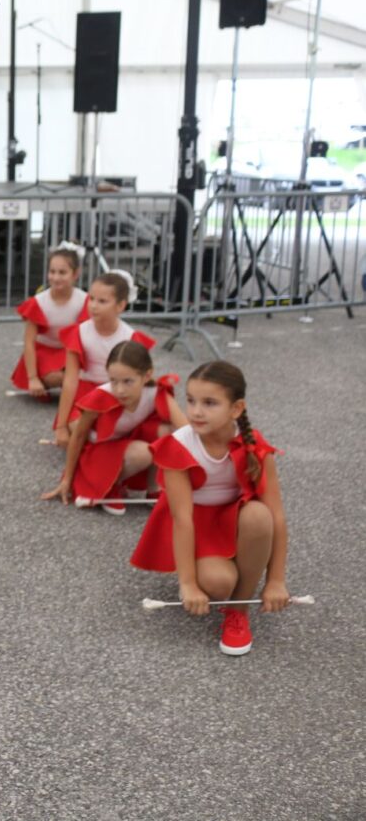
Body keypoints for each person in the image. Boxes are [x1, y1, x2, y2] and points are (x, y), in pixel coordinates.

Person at [130, 361, 291, 656]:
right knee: (219, 584)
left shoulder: (254, 445)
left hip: (231, 520)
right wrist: (188, 584)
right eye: (190, 400)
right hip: (194, 523)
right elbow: (182, 520)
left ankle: (238, 611)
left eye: (209, 403)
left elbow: (277, 516)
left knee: (259, 515)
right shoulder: (179, 445)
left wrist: (276, 581)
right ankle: (224, 577)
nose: (196, 411)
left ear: (236, 408)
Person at [42, 341, 186, 515]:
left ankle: (153, 487)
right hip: (96, 454)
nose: (119, 390)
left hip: (123, 445)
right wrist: (67, 480)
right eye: (113, 381)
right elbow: (79, 437)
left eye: (127, 381)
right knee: (144, 452)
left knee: (168, 431)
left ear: (147, 375)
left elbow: (186, 431)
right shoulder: (101, 396)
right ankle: (109, 485)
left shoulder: (155, 392)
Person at [53, 270, 154, 445]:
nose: (93, 305)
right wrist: (61, 425)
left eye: (102, 301)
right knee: (78, 427)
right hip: (87, 394)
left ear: (121, 305)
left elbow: (143, 379)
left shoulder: (130, 336)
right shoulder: (79, 332)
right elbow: (70, 381)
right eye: (91, 298)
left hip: (119, 393)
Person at [11, 243, 88, 398]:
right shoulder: (39, 302)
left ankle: (76, 384)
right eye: (52, 272)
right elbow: (29, 342)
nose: (56, 277)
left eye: (62, 272)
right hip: (45, 351)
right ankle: (67, 384)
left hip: (71, 351)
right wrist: (32, 378)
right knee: (56, 377)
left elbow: (89, 337)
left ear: (76, 274)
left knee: (83, 374)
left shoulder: (84, 300)